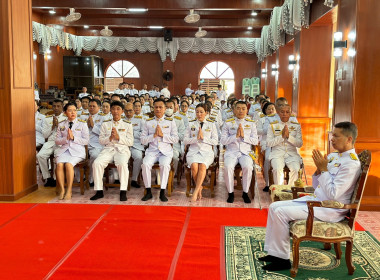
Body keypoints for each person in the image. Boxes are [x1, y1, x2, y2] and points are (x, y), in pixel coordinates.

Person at [261, 122, 361, 271]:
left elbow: (334, 194)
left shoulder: (351, 163)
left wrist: (324, 170)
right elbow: (316, 185)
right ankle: (274, 253)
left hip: (330, 209)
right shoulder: (334, 156)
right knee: (274, 206)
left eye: (336, 136)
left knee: (280, 212)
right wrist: (319, 171)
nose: (331, 139)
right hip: (317, 201)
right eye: (332, 135)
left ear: (349, 139)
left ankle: (282, 260)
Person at [90, 101, 134, 201]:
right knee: (97, 163)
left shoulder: (127, 124)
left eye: (118, 109)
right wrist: (109, 138)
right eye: (113, 109)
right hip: (108, 149)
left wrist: (119, 138)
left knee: (122, 164)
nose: (115, 111)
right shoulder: (105, 124)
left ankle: (123, 191)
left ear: (122, 111)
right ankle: (99, 191)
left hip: (122, 149)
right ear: (110, 111)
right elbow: (101, 141)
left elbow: (130, 142)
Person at [140, 99, 179, 202]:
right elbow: (143, 140)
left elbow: (175, 139)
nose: (158, 109)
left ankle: (162, 191)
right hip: (152, 151)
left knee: (165, 165)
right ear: (153, 109)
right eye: (156, 107)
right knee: (145, 164)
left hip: (166, 152)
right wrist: (153, 136)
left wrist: (163, 135)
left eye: (160, 107)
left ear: (165, 109)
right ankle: (148, 191)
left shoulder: (170, 122)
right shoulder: (148, 122)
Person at [221, 101, 258, 203]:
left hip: (245, 152)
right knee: (228, 167)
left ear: (247, 110)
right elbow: (223, 140)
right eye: (238, 108)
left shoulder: (251, 123)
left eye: (243, 108)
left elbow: (255, 141)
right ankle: (230, 193)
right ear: (234, 110)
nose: (241, 111)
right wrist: (235, 136)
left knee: (248, 167)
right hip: (231, 152)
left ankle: (245, 192)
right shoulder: (228, 123)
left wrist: (244, 136)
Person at [184, 103, 218, 202]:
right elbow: (185, 140)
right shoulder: (191, 124)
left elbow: (215, 141)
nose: (199, 114)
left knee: (202, 165)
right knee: (194, 166)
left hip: (207, 152)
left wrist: (204, 138)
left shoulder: (211, 124)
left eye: (201, 112)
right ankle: (199, 188)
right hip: (193, 151)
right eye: (197, 112)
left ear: (206, 113)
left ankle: (195, 191)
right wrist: (196, 138)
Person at [55, 103, 89, 199]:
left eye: (74, 110)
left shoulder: (82, 123)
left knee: (69, 164)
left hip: (77, 151)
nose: (73, 112)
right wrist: (66, 139)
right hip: (64, 150)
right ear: (65, 112)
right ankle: (62, 189)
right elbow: (57, 141)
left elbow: (86, 140)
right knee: (59, 164)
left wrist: (73, 138)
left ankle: (69, 190)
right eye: (70, 110)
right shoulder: (61, 124)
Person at [267, 104, 303, 186]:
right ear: (278, 113)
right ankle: (279, 192)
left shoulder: (296, 126)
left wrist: (289, 137)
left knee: (295, 169)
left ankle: (290, 190)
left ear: (290, 114)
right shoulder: (273, 125)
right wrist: (281, 137)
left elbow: (299, 144)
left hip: (292, 154)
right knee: (277, 169)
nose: (285, 114)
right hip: (277, 153)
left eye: (287, 112)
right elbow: (269, 143)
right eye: (282, 112)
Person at [37, 99, 67, 187]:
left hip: (61, 142)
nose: (56, 108)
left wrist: (58, 126)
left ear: (62, 107)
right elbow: (45, 135)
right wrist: (53, 126)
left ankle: (55, 178)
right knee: (40, 155)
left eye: (58, 106)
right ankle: (48, 177)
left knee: (57, 157)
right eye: (54, 106)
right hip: (50, 142)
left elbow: (66, 134)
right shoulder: (48, 119)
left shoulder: (66, 118)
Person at [124, 102, 145, 188]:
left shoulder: (140, 120)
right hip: (124, 145)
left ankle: (134, 179)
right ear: (123, 111)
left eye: (130, 111)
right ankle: (120, 179)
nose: (128, 113)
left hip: (135, 145)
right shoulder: (120, 120)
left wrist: (131, 132)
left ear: (134, 110)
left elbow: (143, 135)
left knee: (138, 157)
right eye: (126, 111)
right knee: (120, 158)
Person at [257, 102, 276, 191]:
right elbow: (258, 131)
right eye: (269, 109)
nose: (271, 110)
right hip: (265, 142)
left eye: (273, 108)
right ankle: (268, 184)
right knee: (268, 159)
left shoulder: (279, 119)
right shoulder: (262, 119)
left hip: (277, 143)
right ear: (265, 110)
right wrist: (269, 130)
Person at [87, 99, 104, 185]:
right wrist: (86, 126)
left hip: (96, 144)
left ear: (99, 107)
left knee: (95, 156)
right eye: (90, 106)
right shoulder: (82, 116)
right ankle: (79, 178)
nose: (91, 108)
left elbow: (103, 133)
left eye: (94, 106)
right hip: (83, 143)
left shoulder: (103, 118)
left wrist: (93, 126)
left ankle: (92, 179)